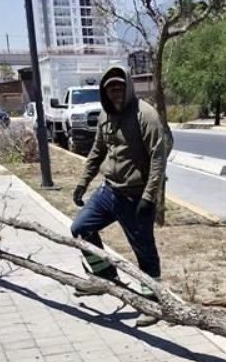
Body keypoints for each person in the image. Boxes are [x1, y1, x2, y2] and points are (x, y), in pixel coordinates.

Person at [71, 64, 168, 328]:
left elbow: (158, 159)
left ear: (127, 87)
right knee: (80, 229)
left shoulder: (145, 116)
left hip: (136, 197)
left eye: (119, 86)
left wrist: (149, 197)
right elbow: (96, 152)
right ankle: (105, 278)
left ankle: (153, 303)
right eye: (110, 87)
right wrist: (82, 183)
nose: (115, 91)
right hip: (108, 191)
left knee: (144, 251)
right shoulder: (105, 115)